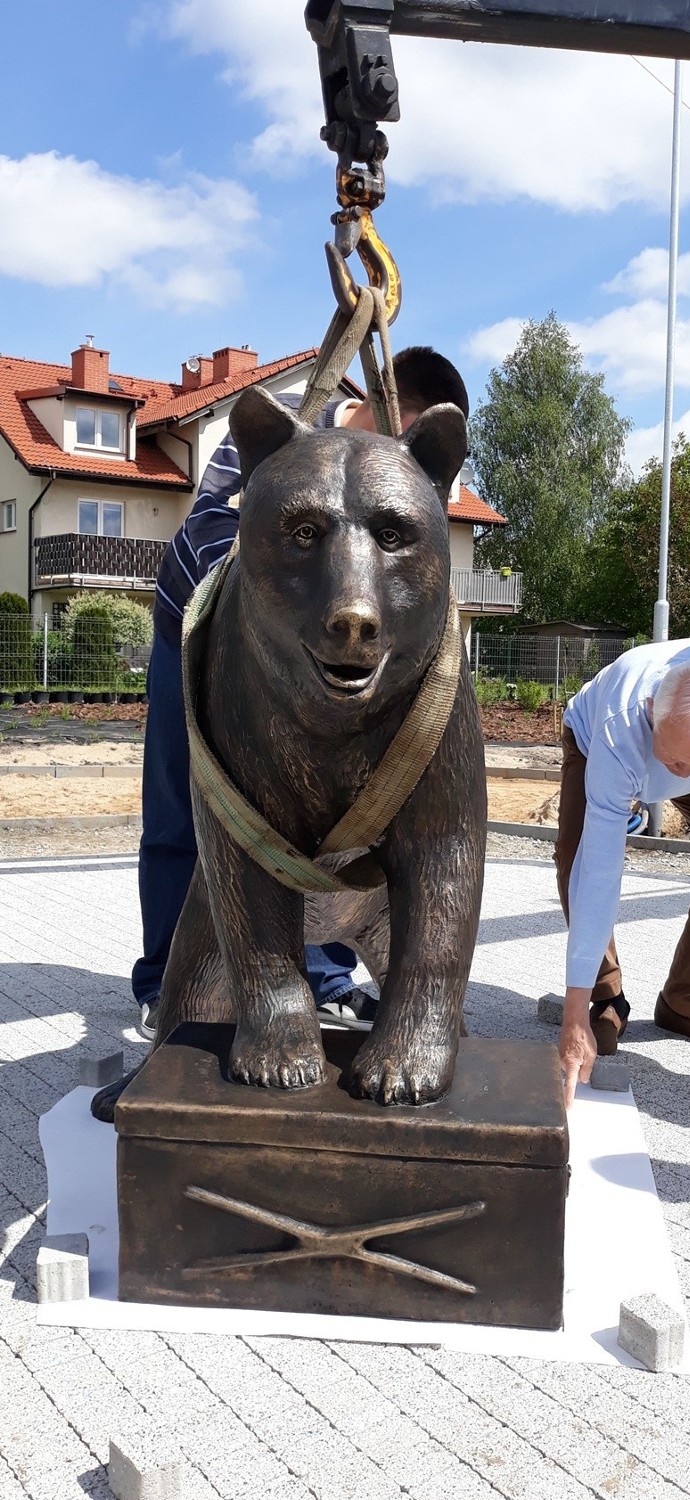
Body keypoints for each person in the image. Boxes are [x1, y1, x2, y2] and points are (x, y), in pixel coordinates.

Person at [132, 346, 470, 1039]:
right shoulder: (285, 429)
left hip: (320, 646)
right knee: (190, 812)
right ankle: (166, 981)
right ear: (379, 406)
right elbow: (204, 534)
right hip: (206, 631)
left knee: (343, 821)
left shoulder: (402, 470)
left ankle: (324, 978)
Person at [555, 639, 690, 1104]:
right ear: (654, 708)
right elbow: (601, 871)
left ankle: (686, 1003)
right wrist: (572, 1016)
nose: (675, 773)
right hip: (595, 737)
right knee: (576, 857)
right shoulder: (618, 734)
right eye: (673, 758)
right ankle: (604, 997)